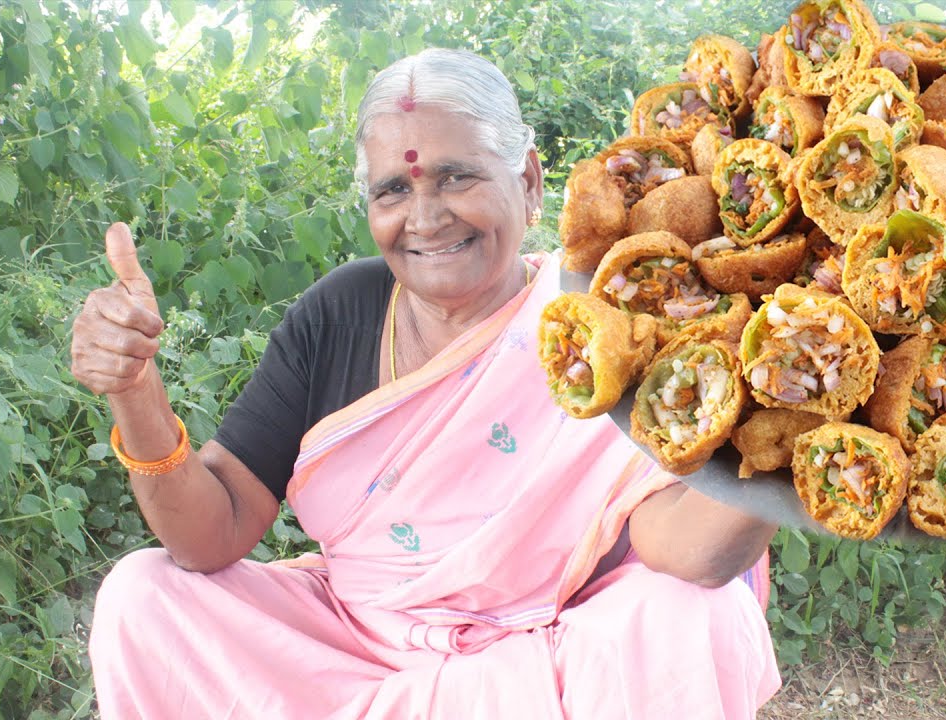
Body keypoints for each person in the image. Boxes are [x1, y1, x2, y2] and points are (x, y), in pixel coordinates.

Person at [74, 48, 781, 718]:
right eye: (393, 189)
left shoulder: (599, 316)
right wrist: (136, 390)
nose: (426, 216)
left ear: (529, 182)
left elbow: (682, 551)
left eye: (456, 176)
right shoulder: (338, 315)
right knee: (145, 596)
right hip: (353, 649)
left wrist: (786, 435)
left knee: (689, 614)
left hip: (546, 653)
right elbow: (211, 534)